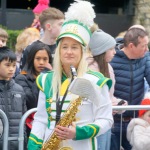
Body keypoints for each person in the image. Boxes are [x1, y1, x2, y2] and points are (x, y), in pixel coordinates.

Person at [28, 1, 113, 150]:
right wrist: (34, 146)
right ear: (59, 50)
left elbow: (106, 119)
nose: (69, 51)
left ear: (83, 51)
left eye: (74, 47)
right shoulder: (46, 79)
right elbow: (41, 119)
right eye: (65, 47)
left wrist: (78, 132)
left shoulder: (96, 80)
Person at [110, 26, 150, 150]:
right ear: (132, 46)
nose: (147, 49)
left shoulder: (145, 58)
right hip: (113, 122)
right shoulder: (111, 58)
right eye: (143, 46)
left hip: (134, 121)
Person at [88, 29, 127, 150]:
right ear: (101, 50)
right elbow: (91, 99)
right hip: (93, 122)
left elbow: (109, 96)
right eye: (111, 49)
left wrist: (118, 103)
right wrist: (110, 104)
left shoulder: (108, 67)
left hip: (106, 121)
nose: (115, 52)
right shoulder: (88, 69)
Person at [15, 42, 52, 137]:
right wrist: (42, 76)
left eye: (45, 59)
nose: (41, 62)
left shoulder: (53, 78)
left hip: (50, 126)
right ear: (32, 59)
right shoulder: (21, 78)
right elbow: (33, 101)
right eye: (38, 59)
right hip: (30, 128)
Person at [0, 47, 26, 150]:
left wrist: (23, 139)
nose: (11, 69)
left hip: (16, 144)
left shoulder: (19, 89)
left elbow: (23, 117)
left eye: (14, 65)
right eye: (7, 65)